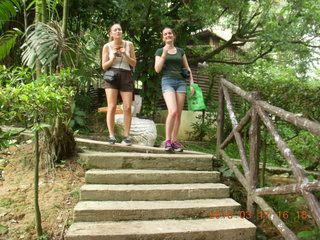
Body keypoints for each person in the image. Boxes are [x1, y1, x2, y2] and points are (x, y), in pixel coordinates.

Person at [154, 27, 194, 152]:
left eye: (169, 33)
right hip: (167, 81)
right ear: (163, 37)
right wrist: (164, 53)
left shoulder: (180, 51)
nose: (167, 35)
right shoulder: (160, 51)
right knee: (173, 110)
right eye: (165, 34)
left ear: (173, 36)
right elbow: (157, 69)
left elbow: (187, 68)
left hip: (180, 82)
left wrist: (191, 83)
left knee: (178, 113)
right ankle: (167, 141)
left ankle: (174, 141)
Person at [102, 23, 136, 145]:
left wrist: (125, 54)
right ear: (111, 33)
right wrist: (113, 58)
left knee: (127, 107)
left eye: (120, 29)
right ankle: (111, 136)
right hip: (112, 75)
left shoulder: (129, 44)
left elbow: (134, 64)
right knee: (111, 106)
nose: (118, 31)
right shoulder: (107, 46)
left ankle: (126, 136)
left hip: (126, 75)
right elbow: (104, 66)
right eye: (115, 30)